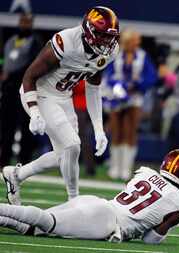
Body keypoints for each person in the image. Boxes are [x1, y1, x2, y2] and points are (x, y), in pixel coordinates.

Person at [2, 6, 119, 205]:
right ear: (89, 31)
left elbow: (93, 88)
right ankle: (74, 201)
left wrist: (99, 129)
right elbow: (29, 77)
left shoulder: (108, 51)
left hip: (63, 96)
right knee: (72, 145)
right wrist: (35, 112)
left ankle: (16, 175)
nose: (108, 42)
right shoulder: (65, 42)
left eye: (110, 37)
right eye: (103, 36)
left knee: (64, 155)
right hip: (40, 94)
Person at [0, 149, 179, 244]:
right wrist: (175, 218)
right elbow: (149, 241)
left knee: (32, 228)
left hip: (95, 203)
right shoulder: (178, 201)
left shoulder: (146, 173)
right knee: (46, 221)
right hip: (105, 221)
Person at [103, 29, 158, 180]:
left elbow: (151, 76)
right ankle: (115, 166)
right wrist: (118, 85)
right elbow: (108, 74)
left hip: (135, 98)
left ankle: (126, 167)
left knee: (130, 131)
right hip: (116, 96)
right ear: (127, 42)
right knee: (116, 131)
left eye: (138, 41)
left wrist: (137, 85)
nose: (137, 43)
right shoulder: (116, 54)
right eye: (134, 40)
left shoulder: (142, 56)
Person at [0, 13, 42, 167]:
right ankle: (3, 159)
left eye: (27, 22)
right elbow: (3, 59)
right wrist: (4, 71)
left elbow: (33, 65)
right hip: (8, 89)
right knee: (6, 125)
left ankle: (24, 161)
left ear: (31, 23)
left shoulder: (35, 41)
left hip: (24, 88)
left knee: (25, 126)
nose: (24, 24)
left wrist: (12, 74)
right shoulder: (11, 40)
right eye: (22, 21)